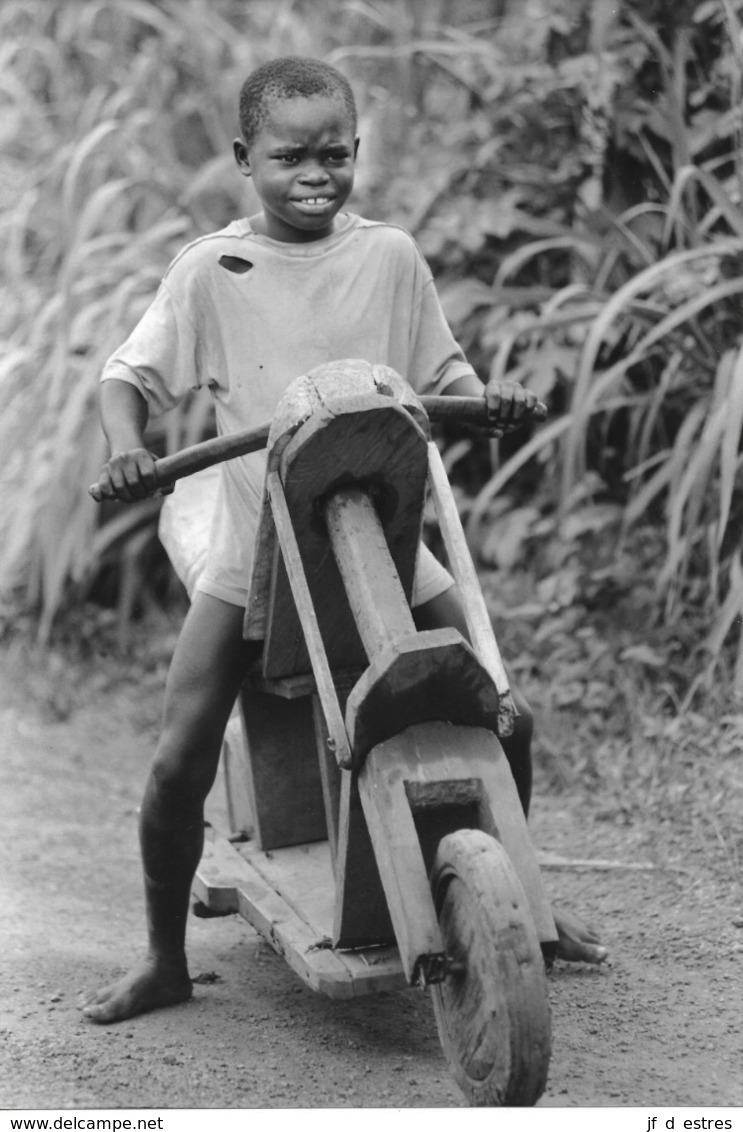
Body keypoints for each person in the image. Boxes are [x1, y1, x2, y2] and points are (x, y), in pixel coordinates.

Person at [80, 56, 606, 1025]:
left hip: (385, 536)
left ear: (356, 151)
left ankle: (523, 909)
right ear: (245, 159)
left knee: (505, 714)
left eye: (334, 153)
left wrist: (480, 400)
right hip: (256, 545)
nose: (315, 172)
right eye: (290, 157)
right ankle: (161, 956)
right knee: (177, 759)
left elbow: (440, 369)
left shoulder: (390, 257)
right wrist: (126, 443)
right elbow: (128, 377)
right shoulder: (212, 271)